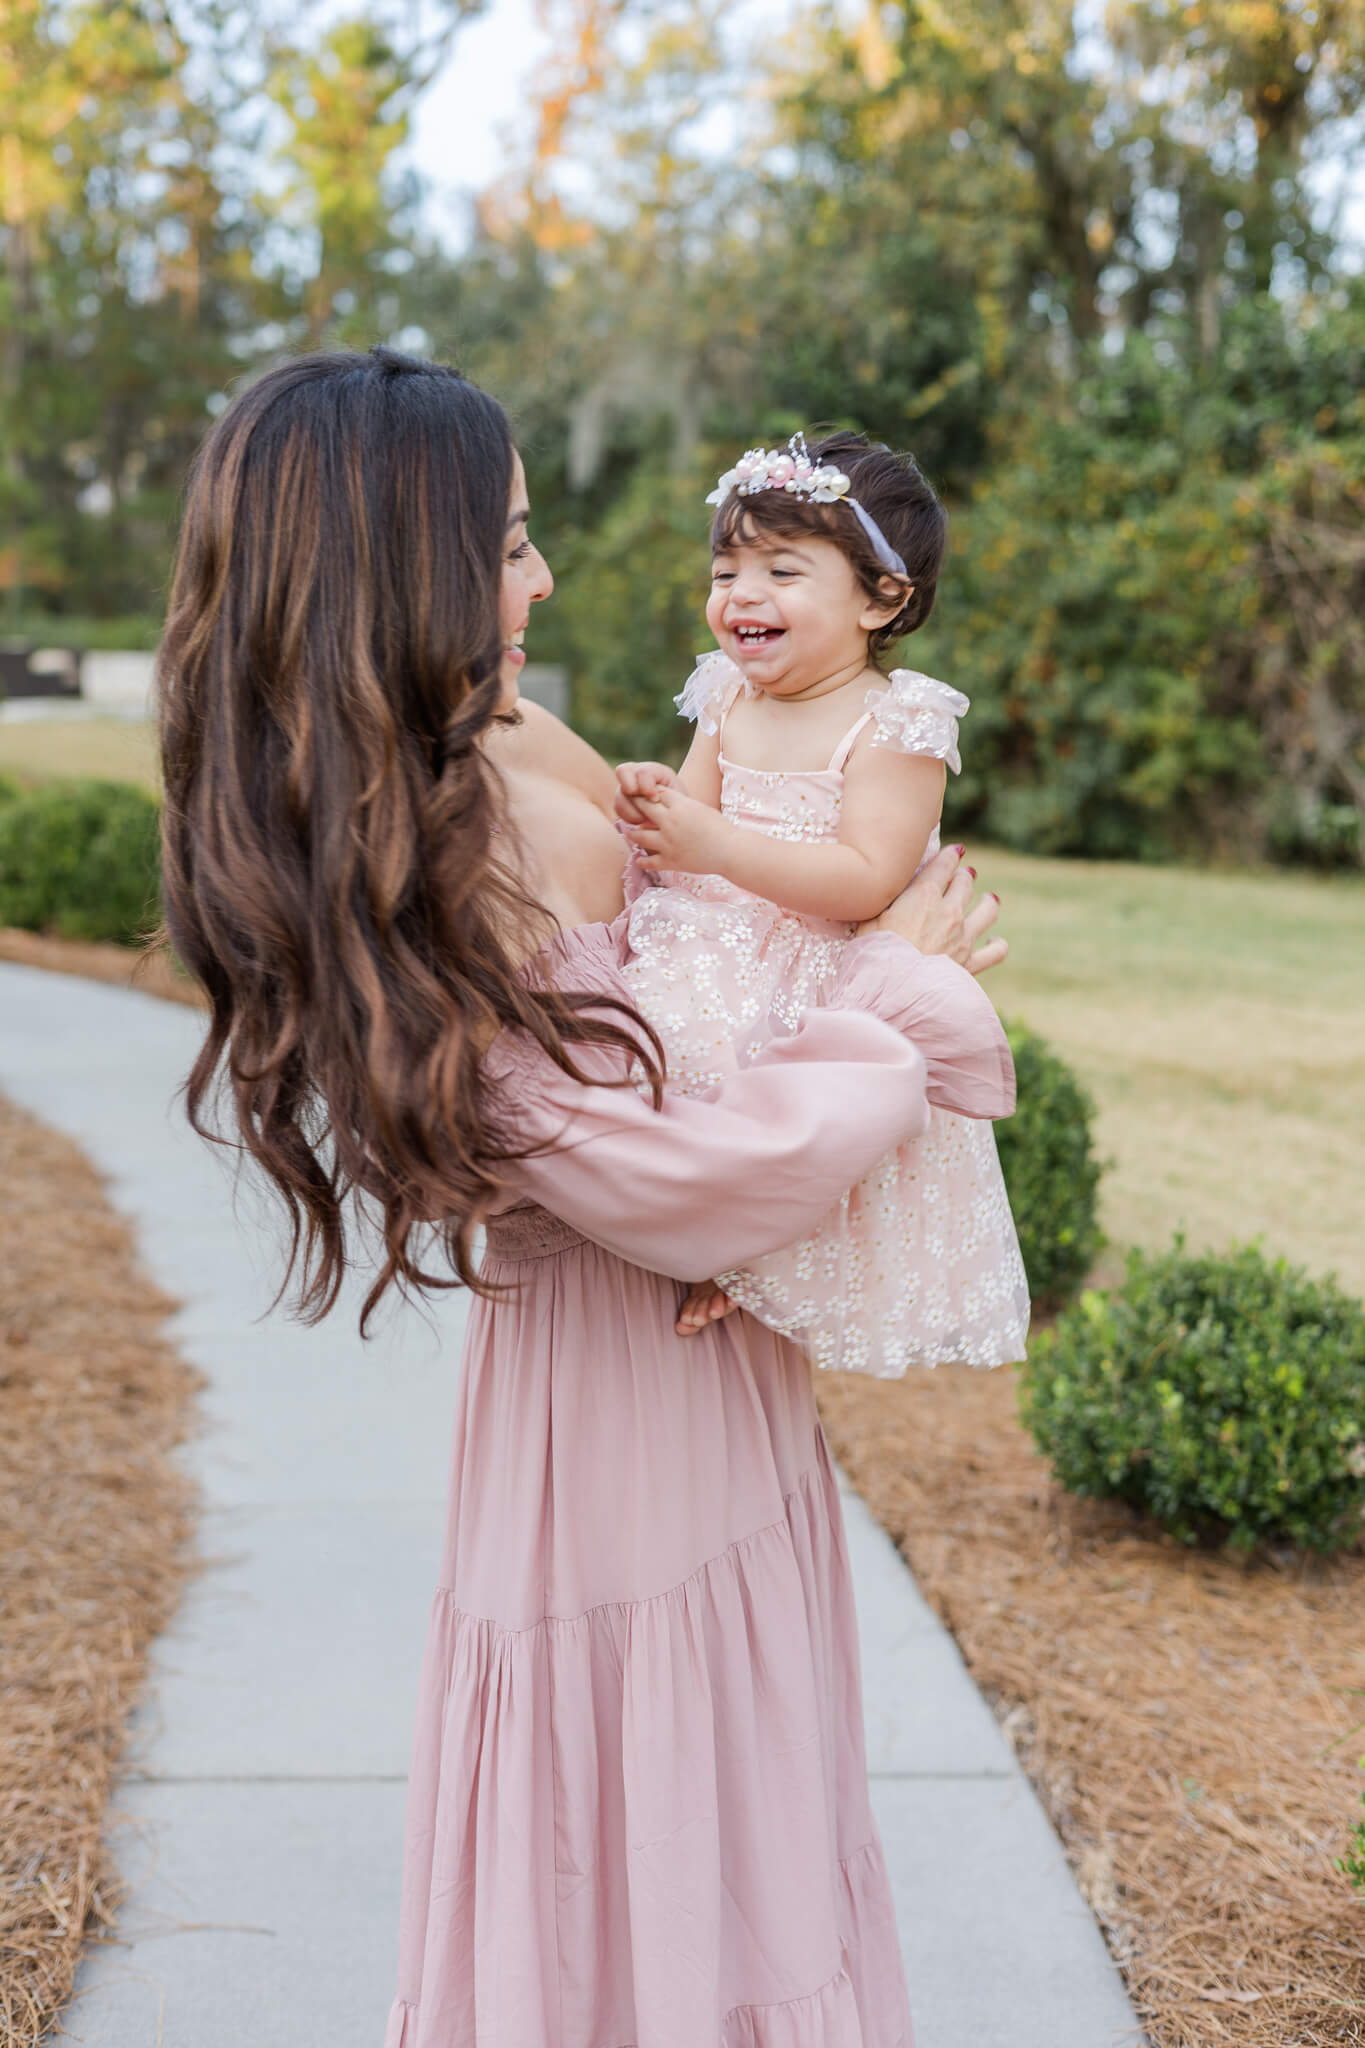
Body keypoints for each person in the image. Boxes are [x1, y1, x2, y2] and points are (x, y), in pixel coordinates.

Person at [156, 347, 1014, 2048]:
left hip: (718, 1366)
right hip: (613, 1418)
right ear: (394, 568)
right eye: (510, 543)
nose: (543, 578)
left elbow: (713, 980)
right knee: (659, 1831)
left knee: (759, 1801)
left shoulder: (514, 727)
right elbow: (671, 1187)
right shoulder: (421, 855)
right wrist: (901, 985)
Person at [612, 432, 1029, 1375]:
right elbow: (684, 823)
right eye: (726, 569)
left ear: (882, 597)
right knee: (669, 1076)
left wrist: (714, 844)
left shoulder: (896, 721)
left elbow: (870, 877)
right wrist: (648, 804)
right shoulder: (724, 694)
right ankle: (701, 1236)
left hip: (821, 972)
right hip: (705, 944)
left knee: (790, 1121)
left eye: (782, 570)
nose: (741, 595)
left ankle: (754, 1259)